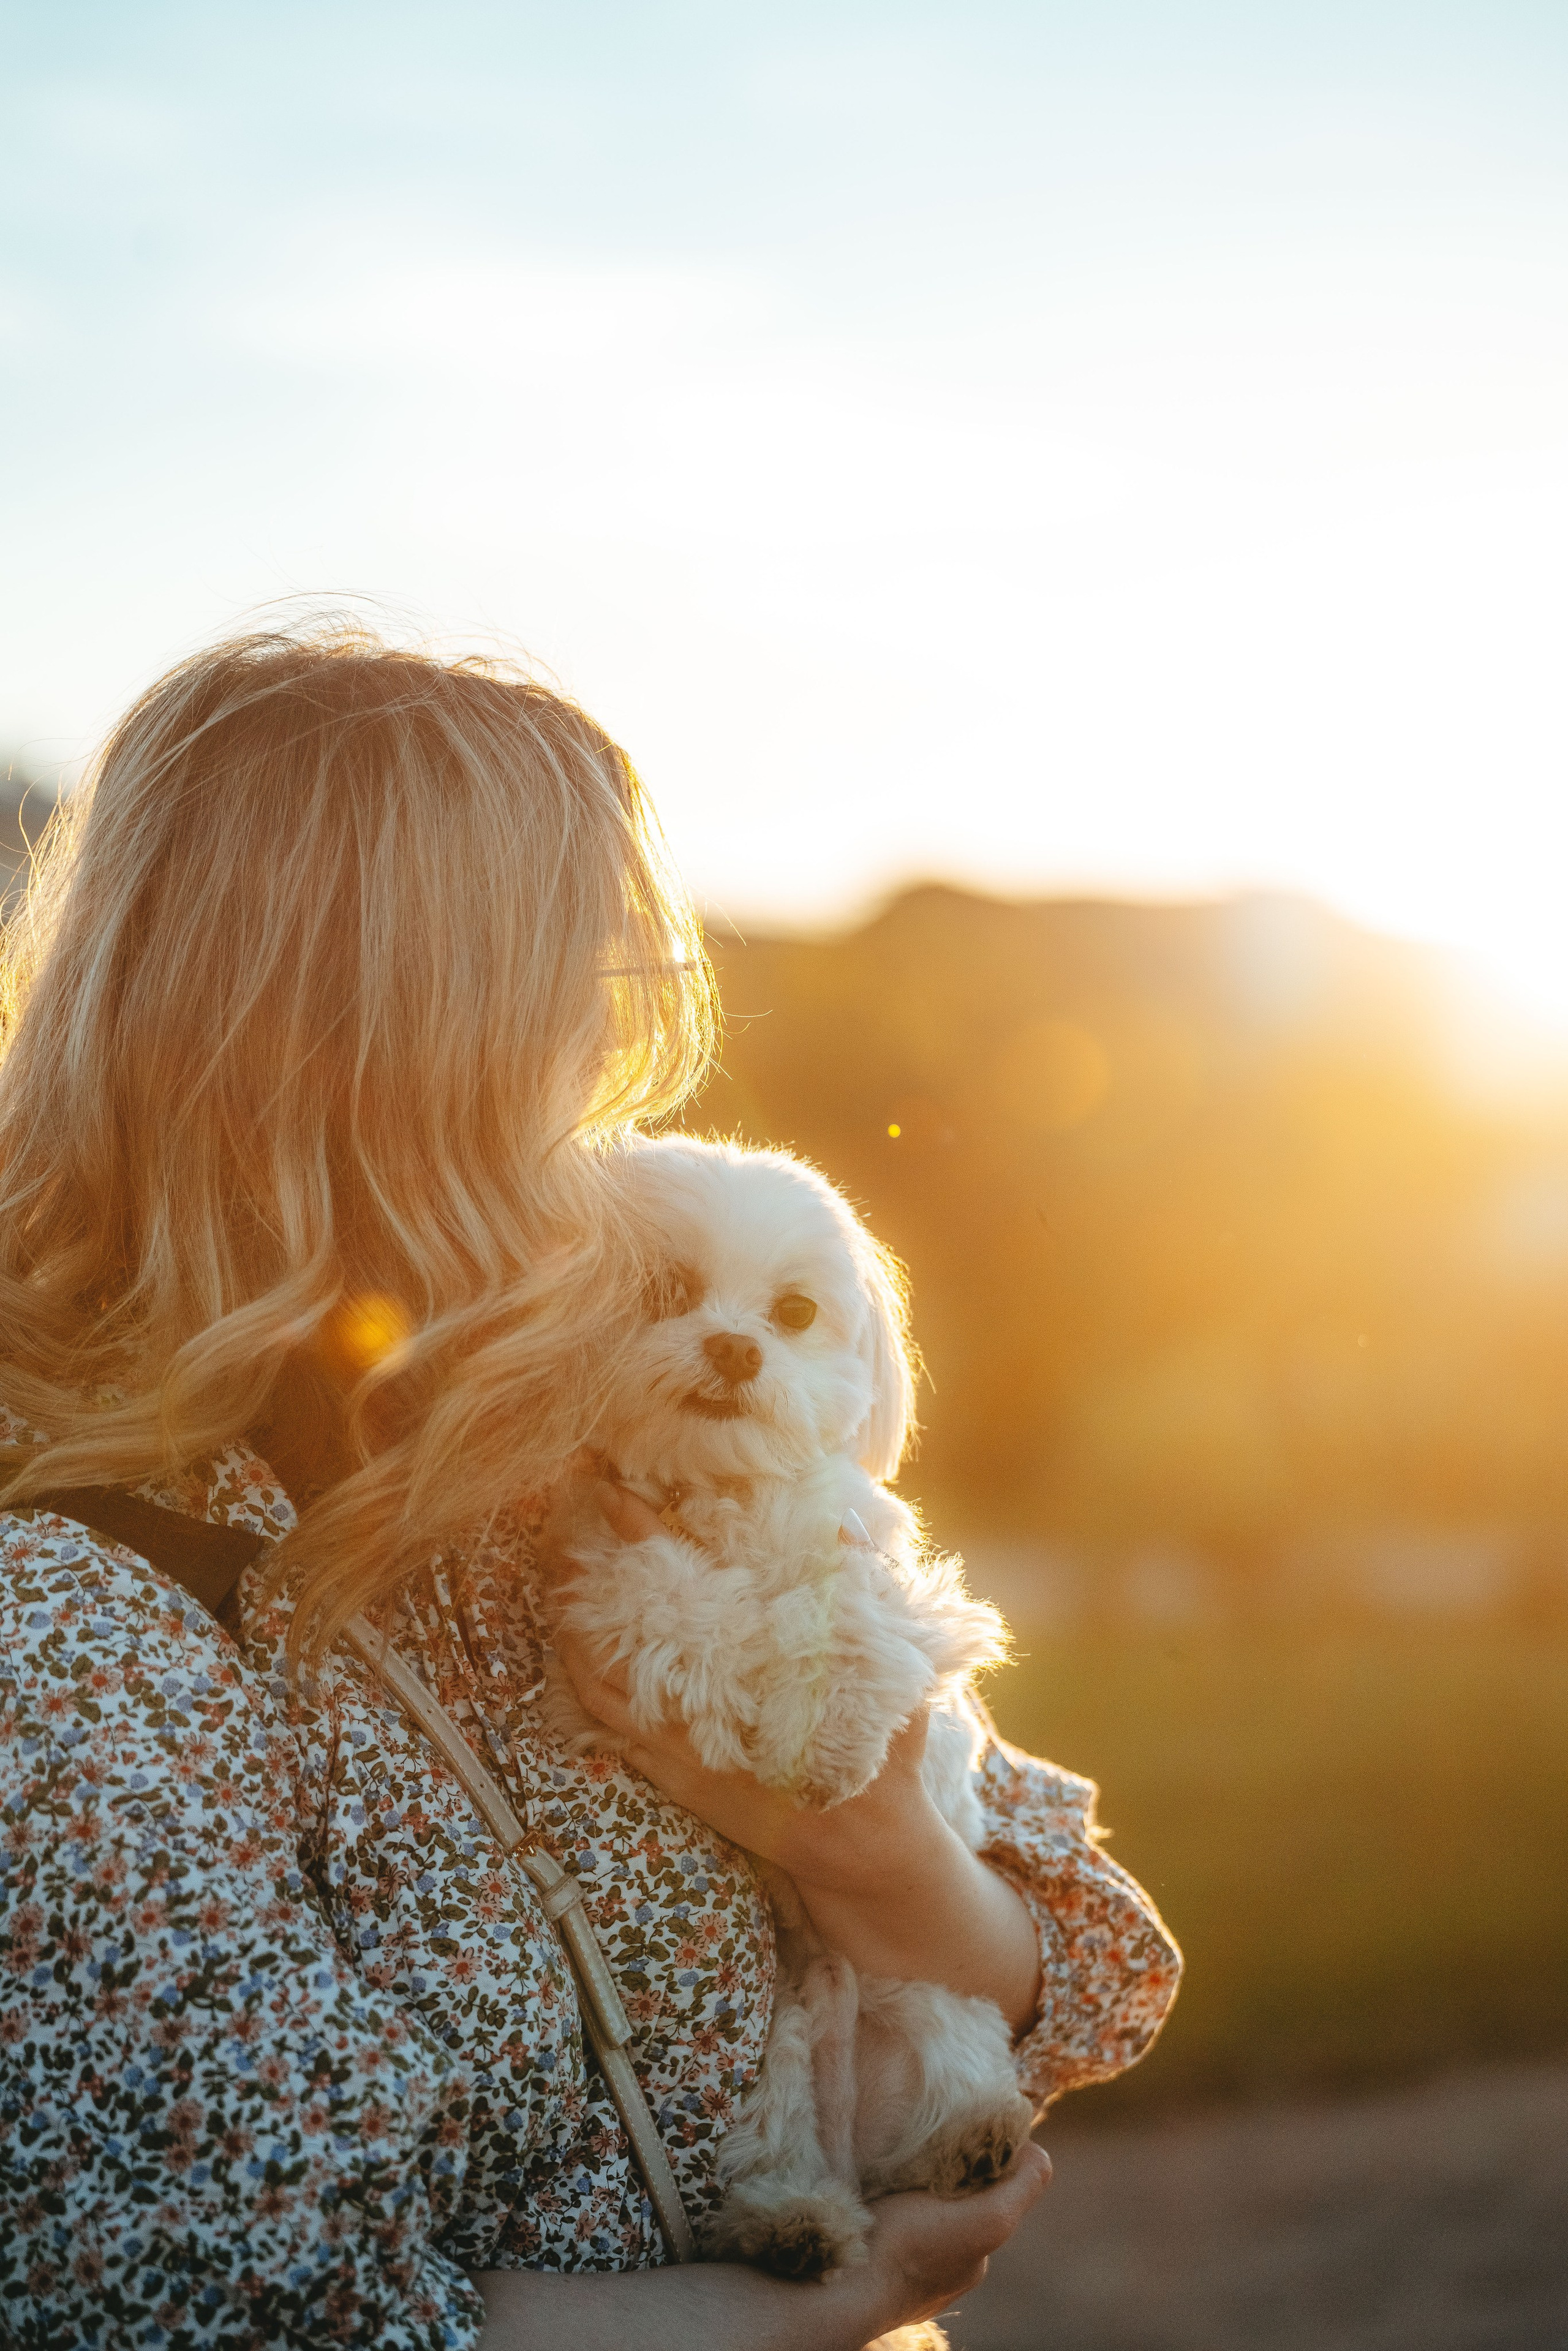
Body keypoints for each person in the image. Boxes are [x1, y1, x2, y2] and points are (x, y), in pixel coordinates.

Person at [0, 624, 1181, 2350]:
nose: (607, 1101)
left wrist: (876, 1854)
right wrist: (832, 2304)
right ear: (377, 1059)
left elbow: (1085, 1961)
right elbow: (265, 2314)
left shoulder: (580, 1467)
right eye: (577, 1022)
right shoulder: (78, 1627)